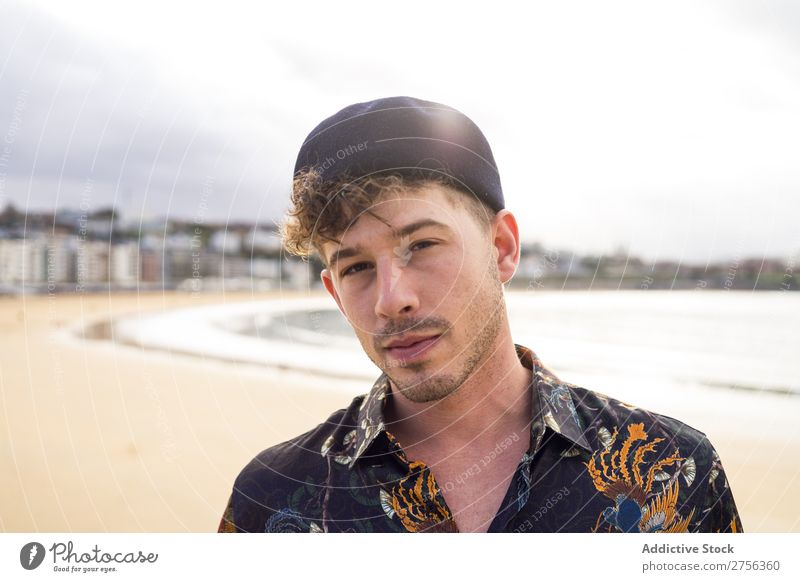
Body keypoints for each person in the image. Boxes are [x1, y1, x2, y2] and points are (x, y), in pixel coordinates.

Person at [217, 96, 742, 533]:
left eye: (421, 244)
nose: (390, 300)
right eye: (356, 267)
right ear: (333, 292)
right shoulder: (272, 500)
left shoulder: (672, 472)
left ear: (502, 247)